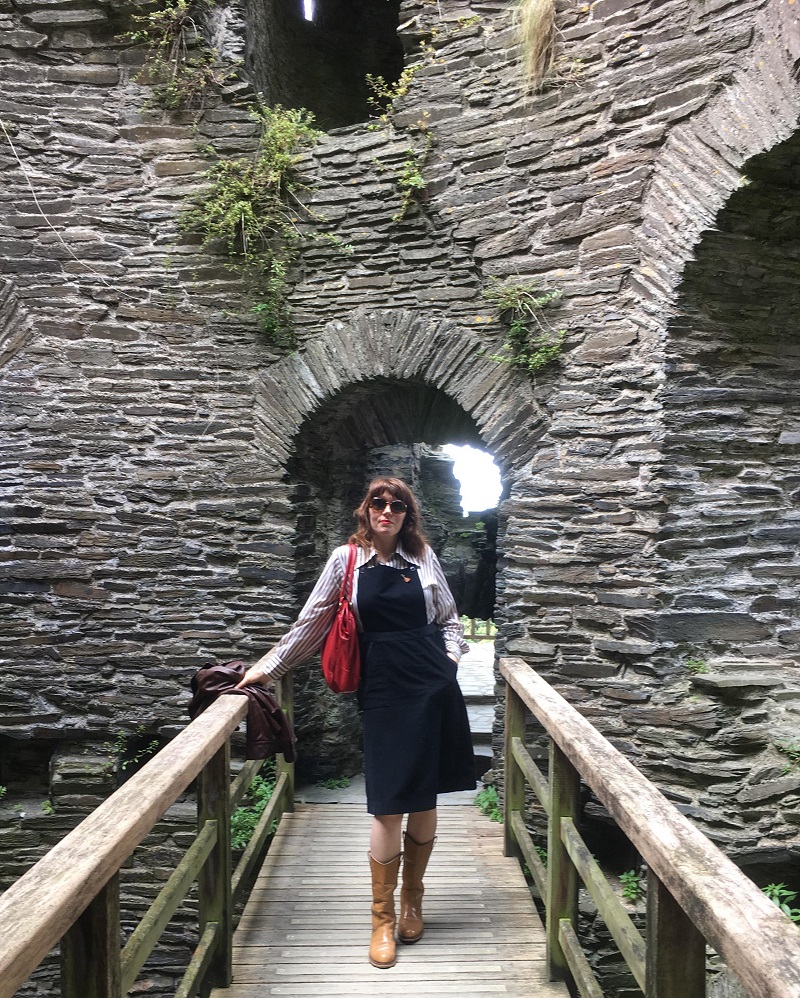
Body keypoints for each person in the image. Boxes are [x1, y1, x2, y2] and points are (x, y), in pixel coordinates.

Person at [236, 476, 476, 969]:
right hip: (383, 687)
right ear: (365, 510)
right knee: (387, 803)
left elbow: (449, 619)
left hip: (433, 686)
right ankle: (381, 919)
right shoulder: (345, 561)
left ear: (407, 515)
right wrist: (268, 668)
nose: (387, 511)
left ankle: (412, 902)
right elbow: (313, 622)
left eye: (397, 505)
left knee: (425, 796)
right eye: (378, 503)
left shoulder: (423, 557)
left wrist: (449, 663)